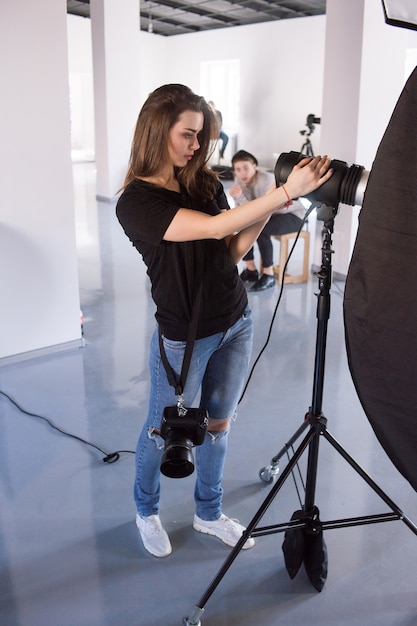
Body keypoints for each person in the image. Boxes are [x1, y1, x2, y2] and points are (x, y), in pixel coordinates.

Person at [116, 84, 332, 558]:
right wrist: (283, 190)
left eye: (201, 137)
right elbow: (214, 226)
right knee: (162, 428)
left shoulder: (205, 183)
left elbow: (229, 248)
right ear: (156, 131)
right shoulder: (135, 203)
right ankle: (146, 510)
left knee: (218, 424)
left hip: (235, 320)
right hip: (184, 338)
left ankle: (208, 513)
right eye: (188, 135)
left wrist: (276, 203)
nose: (197, 146)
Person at [230, 150, 306, 292]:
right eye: (238, 170)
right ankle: (251, 270)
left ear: (254, 166)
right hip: (271, 215)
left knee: (261, 228)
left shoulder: (269, 180)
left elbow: (263, 209)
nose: (242, 174)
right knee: (243, 225)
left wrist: (240, 198)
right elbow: (243, 212)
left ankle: (268, 274)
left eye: (246, 168)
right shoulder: (238, 181)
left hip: (293, 216)